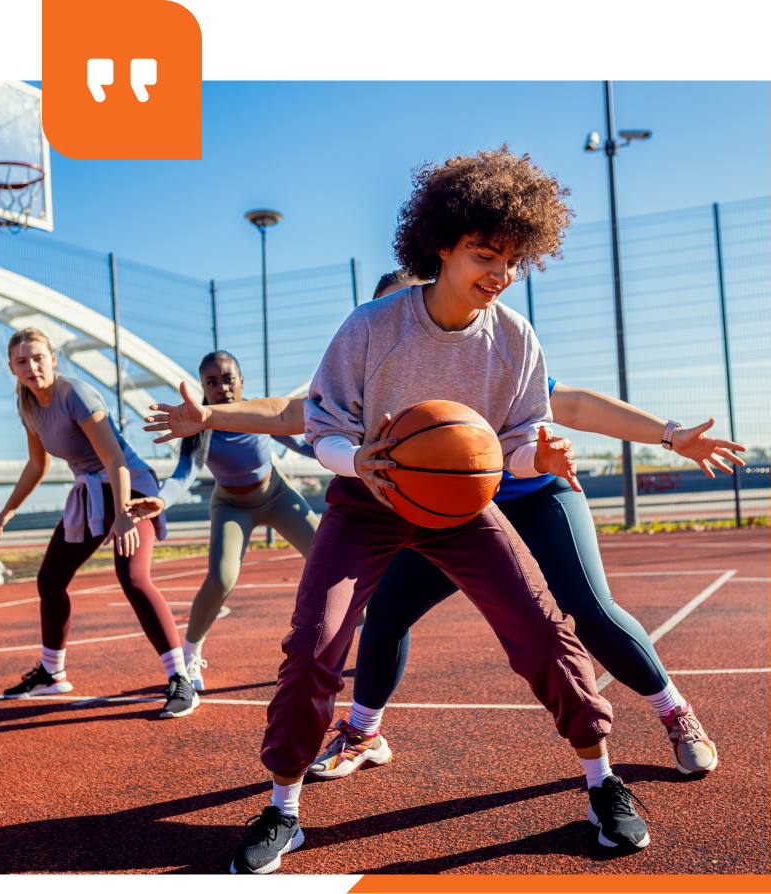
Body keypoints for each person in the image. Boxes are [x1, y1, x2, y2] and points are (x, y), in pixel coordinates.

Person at [147, 146, 651, 872]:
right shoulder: (373, 327)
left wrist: (534, 461)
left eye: (512, 261)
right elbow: (317, 423)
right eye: (485, 254)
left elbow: (509, 445)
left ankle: (604, 784)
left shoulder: (513, 339)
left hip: (460, 504)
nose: (500, 274)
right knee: (314, 645)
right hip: (366, 501)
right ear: (440, 246)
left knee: (543, 631)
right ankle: (282, 810)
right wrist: (362, 461)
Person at [307, 272, 743, 784]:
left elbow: (574, 405)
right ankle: (363, 732)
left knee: (588, 606)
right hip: (455, 514)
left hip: (534, 496)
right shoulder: (371, 356)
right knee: (387, 610)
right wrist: (215, 416)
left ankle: (676, 714)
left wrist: (669, 436)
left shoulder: (493, 356)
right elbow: (300, 416)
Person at [0, 328, 198, 719]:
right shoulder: (28, 404)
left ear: (53, 358)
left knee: (133, 577)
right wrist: (7, 511)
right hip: (92, 493)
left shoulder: (75, 394)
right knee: (50, 580)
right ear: (13, 368)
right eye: (21, 361)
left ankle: (181, 678)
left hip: (131, 490)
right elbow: (37, 464)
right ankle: (52, 673)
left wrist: (121, 516)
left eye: (38, 357)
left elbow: (115, 460)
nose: (31, 367)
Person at [125, 350, 320, 691]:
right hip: (231, 506)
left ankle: (368, 637)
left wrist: (348, 451)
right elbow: (184, 474)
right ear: (203, 387)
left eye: (228, 379)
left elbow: (304, 446)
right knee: (221, 579)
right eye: (212, 382)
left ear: (241, 382)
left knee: (328, 559)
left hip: (276, 495)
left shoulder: (260, 414)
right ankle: (189, 656)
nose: (222, 388)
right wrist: (162, 499)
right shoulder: (199, 427)